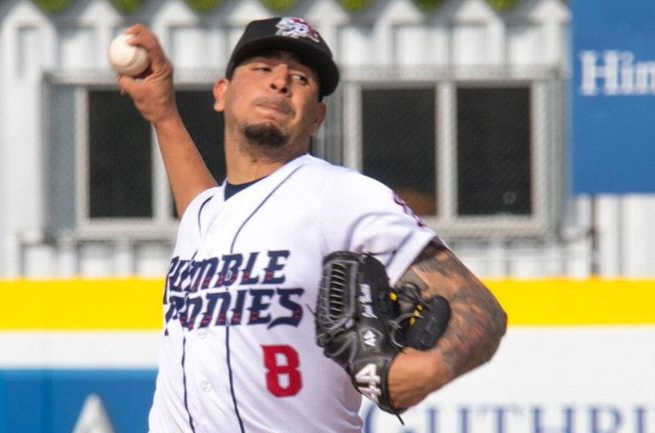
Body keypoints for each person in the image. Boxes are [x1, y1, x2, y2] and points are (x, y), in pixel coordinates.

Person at [117, 17, 507, 433]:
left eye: (300, 78)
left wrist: (428, 369)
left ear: (317, 115)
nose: (280, 82)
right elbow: (205, 204)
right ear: (222, 93)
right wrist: (163, 115)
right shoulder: (205, 212)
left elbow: (481, 308)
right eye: (263, 69)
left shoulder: (341, 195)